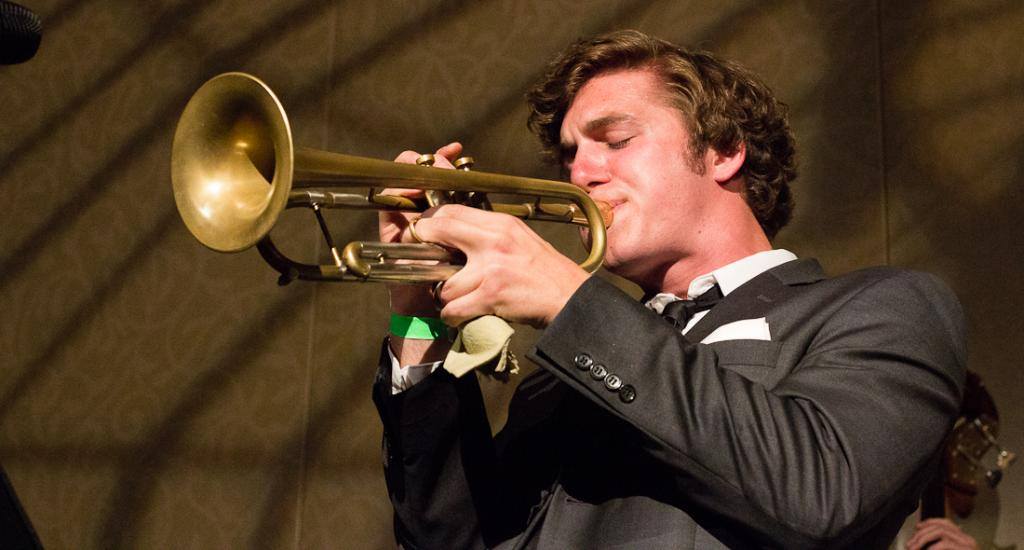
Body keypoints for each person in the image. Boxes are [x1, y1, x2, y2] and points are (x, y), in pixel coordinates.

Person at [371, 29, 966, 549]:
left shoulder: (886, 306)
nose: (580, 173)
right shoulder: (559, 376)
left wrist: (571, 302)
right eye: (571, 155)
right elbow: (455, 539)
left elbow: (824, 494)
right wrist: (418, 319)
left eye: (615, 140)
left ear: (725, 151)